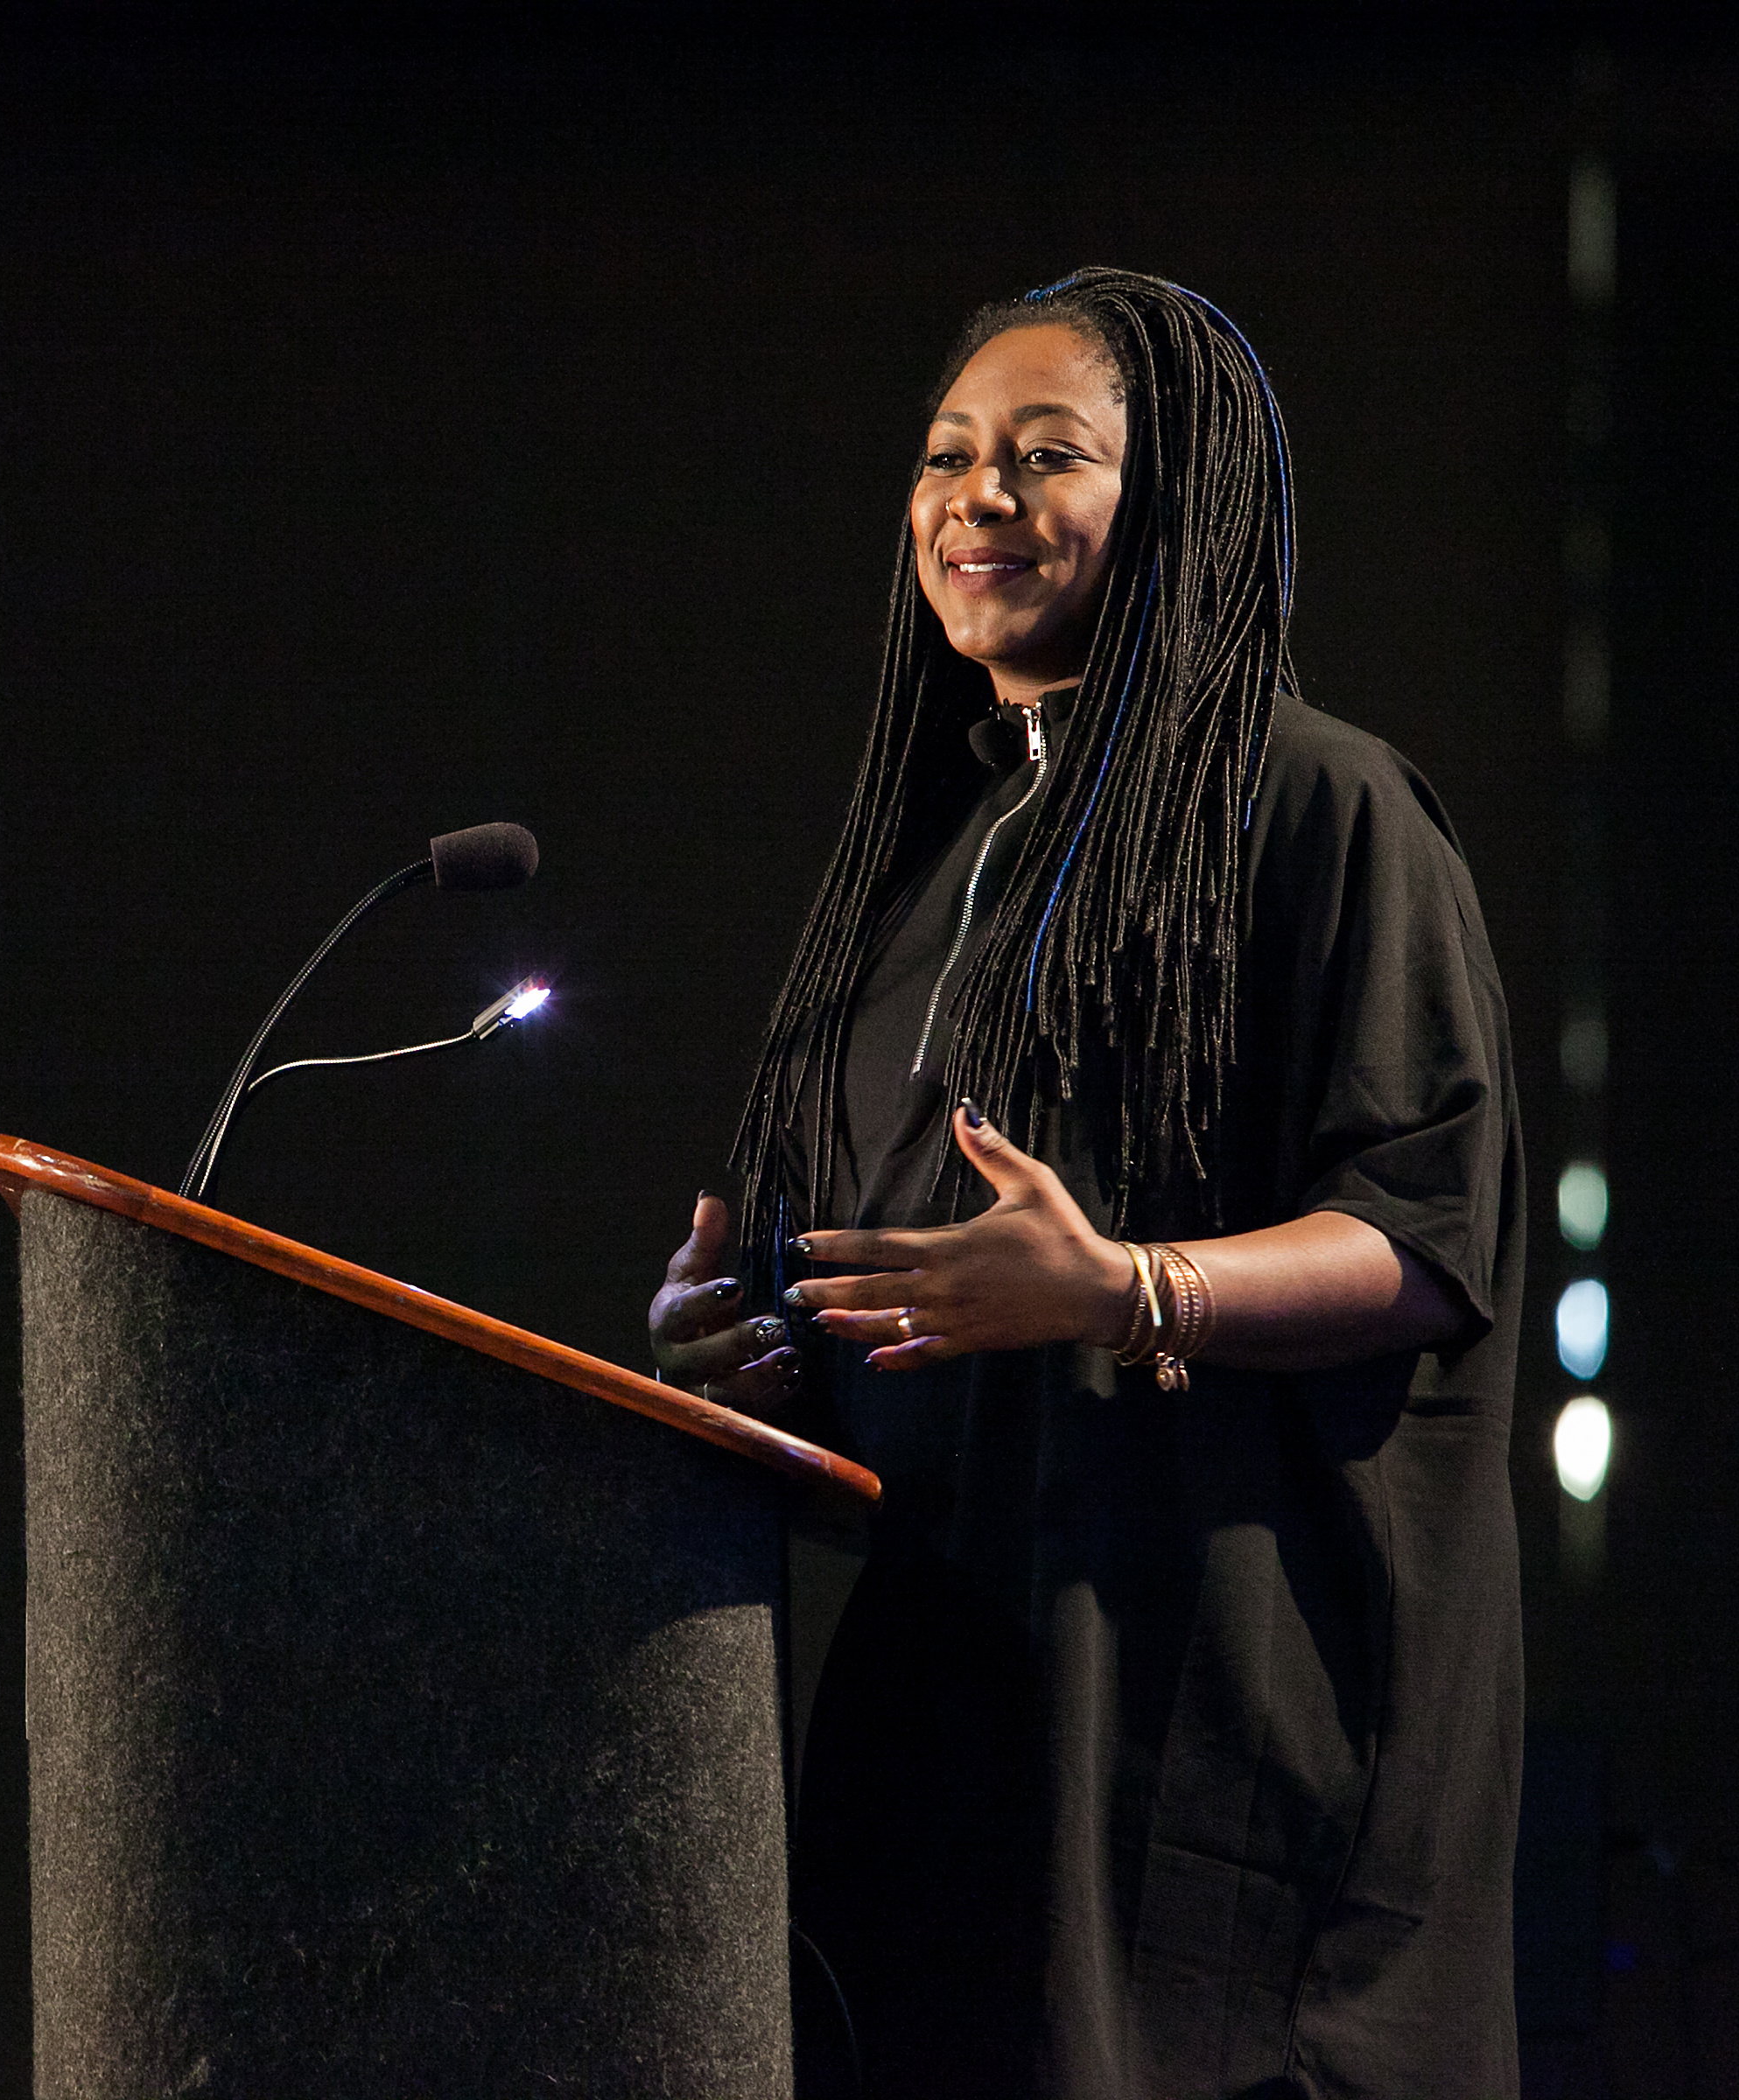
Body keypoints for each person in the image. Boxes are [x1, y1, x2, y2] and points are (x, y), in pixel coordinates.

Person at [648, 270, 1524, 2096]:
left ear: (1174, 501)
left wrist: (1127, 1288)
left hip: (1214, 1730)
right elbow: (894, 1329)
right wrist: (734, 1365)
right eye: (951, 454)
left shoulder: (1326, 809)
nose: (981, 494)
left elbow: (1426, 1241)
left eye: (1050, 455)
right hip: (951, 1741)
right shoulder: (918, 884)